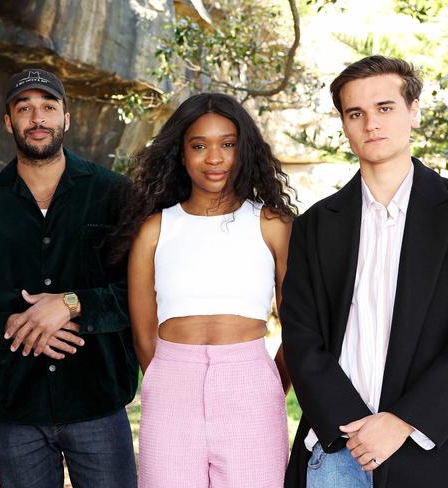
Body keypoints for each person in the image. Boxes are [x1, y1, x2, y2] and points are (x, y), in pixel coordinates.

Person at [282, 55, 448, 488]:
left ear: (413, 111)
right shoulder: (315, 224)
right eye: (357, 113)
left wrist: (403, 421)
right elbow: (301, 336)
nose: (371, 123)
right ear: (344, 124)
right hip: (337, 450)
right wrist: (354, 425)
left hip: (431, 447)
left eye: (385, 108)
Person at [0, 68, 138, 488]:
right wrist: (11, 327)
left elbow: (141, 291)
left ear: (66, 118)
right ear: (8, 122)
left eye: (48, 107)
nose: (37, 118)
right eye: (25, 108)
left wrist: (71, 304)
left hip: (98, 400)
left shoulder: (114, 194)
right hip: (16, 407)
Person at [123, 92, 295, 488]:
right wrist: (173, 375)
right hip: (171, 388)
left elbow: (296, 324)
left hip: (251, 383)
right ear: (181, 154)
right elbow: (144, 335)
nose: (214, 158)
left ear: (244, 150)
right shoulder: (154, 229)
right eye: (199, 145)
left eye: (228, 144)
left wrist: (270, 384)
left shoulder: (271, 224)